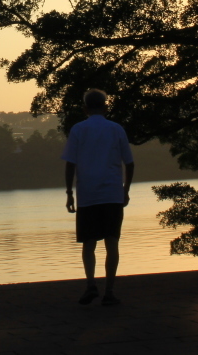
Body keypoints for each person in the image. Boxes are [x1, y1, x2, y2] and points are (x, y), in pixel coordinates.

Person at [62, 89, 134, 306]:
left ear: (85, 109)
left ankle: (91, 284)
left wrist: (69, 193)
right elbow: (129, 163)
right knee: (112, 243)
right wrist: (125, 190)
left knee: (88, 243)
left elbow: (70, 164)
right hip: (112, 193)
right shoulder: (116, 129)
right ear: (105, 107)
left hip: (88, 194)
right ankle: (109, 291)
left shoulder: (78, 129)